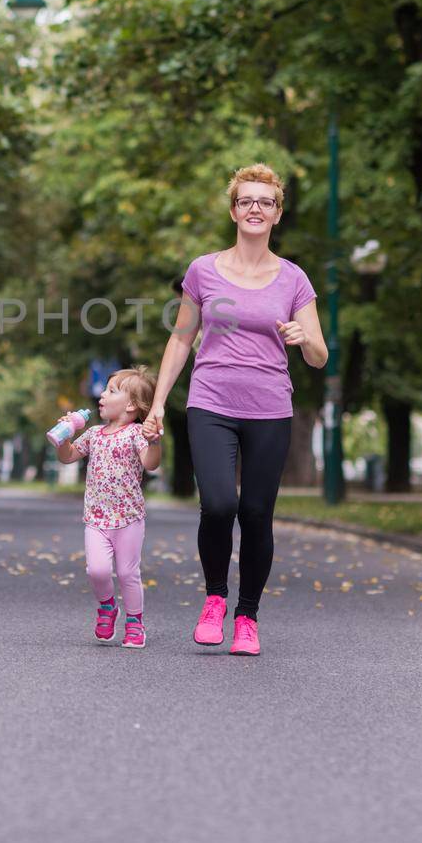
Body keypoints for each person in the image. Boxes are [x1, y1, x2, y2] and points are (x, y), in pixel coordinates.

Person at [142, 164, 328, 656]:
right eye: (246, 200)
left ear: (277, 214)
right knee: (220, 504)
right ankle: (215, 600)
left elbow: (319, 355)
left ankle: (247, 615)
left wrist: (302, 336)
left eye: (264, 202)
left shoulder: (293, 279)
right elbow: (181, 339)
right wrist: (159, 402)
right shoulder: (204, 270)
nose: (254, 209)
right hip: (211, 402)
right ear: (233, 210)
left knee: (257, 513)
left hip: (269, 407)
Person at [54, 366, 163, 649]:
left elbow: (151, 463)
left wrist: (155, 443)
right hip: (97, 518)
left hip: (128, 517)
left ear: (130, 405)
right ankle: (107, 607)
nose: (102, 395)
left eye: (111, 390)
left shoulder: (137, 433)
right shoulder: (93, 434)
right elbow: (67, 457)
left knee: (128, 573)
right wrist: (64, 436)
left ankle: (135, 622)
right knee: (97, 571)